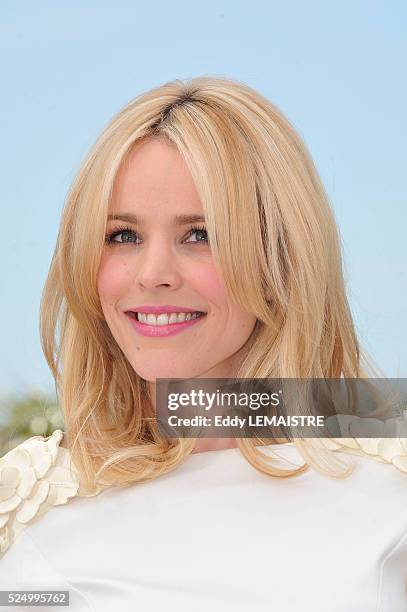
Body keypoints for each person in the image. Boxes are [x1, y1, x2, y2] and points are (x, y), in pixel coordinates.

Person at [0, 76, 406, 611]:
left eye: (201, 234)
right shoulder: (27, 507)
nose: (153, 274)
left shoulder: (388, 489)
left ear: (281, 258)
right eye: (123, 235)